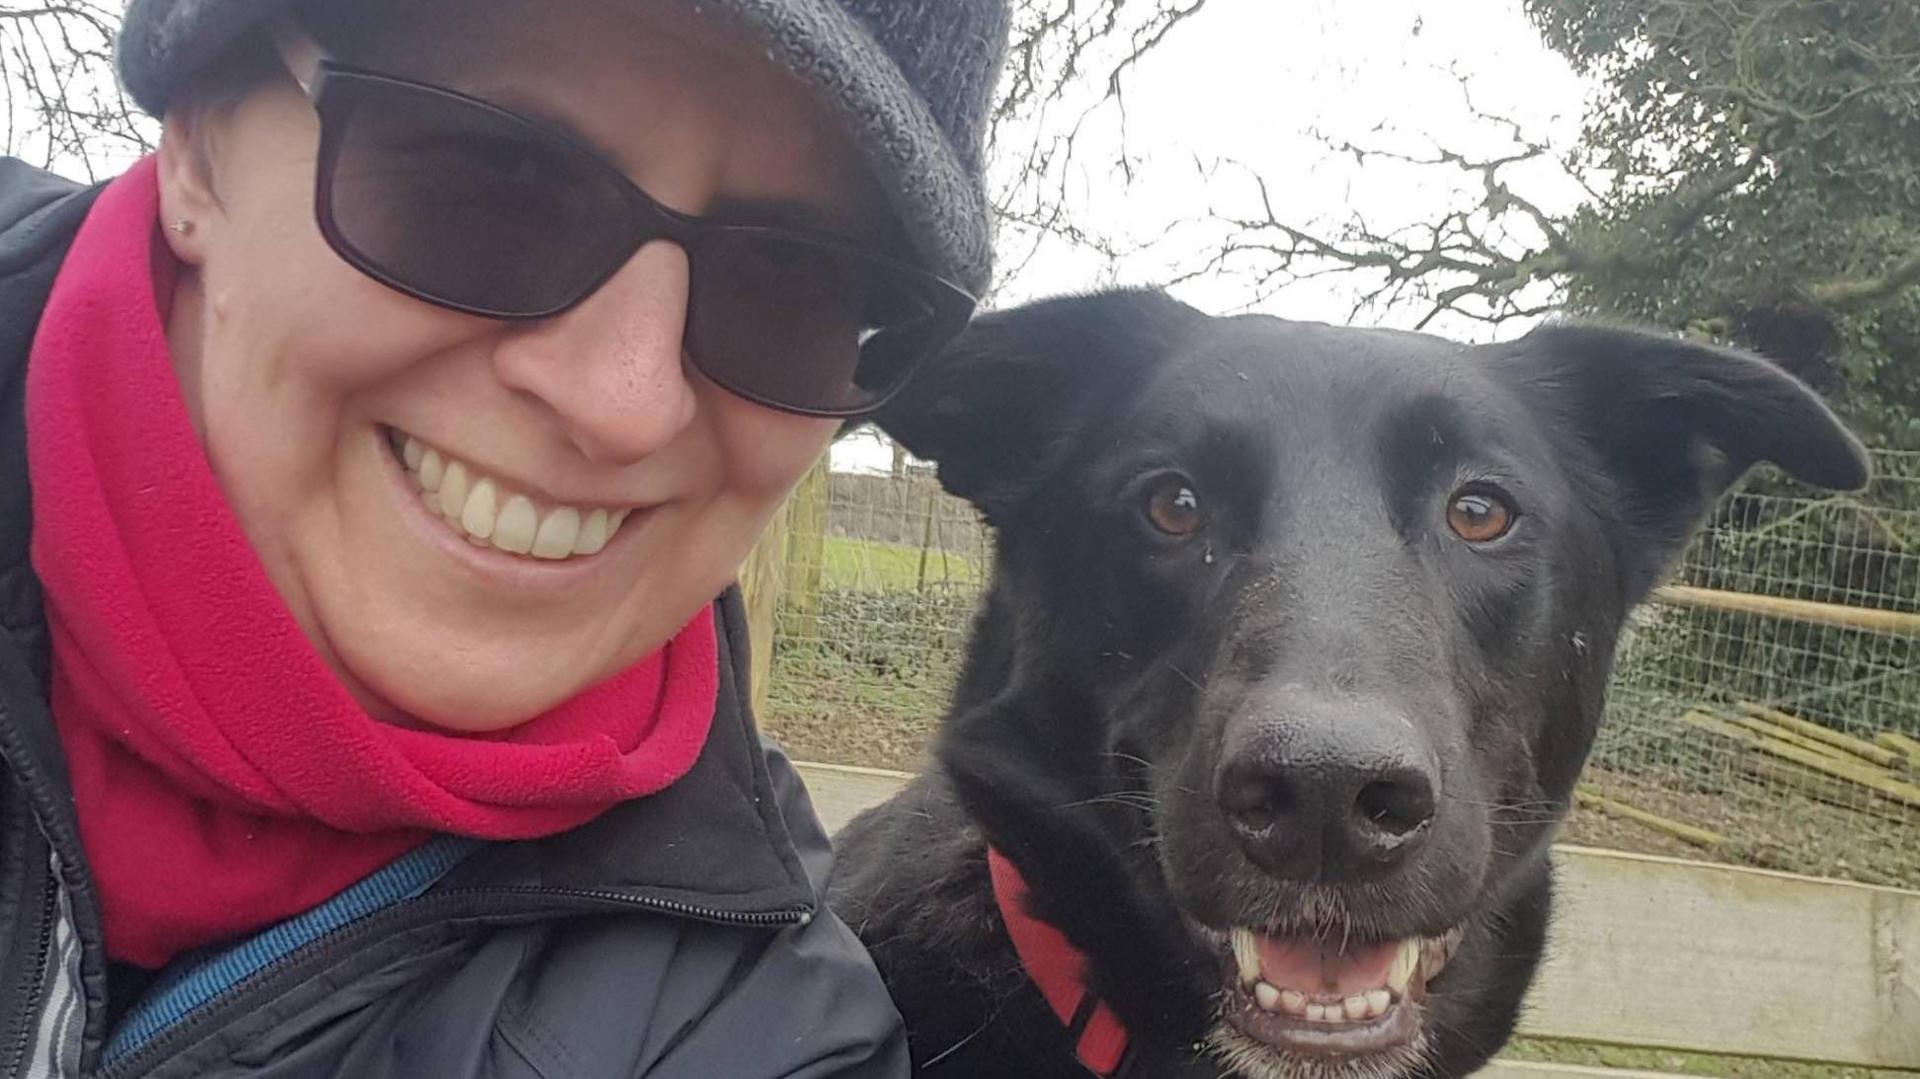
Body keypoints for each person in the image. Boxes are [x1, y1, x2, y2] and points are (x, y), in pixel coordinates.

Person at [0, 0, 1007, 1073]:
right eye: (490, 180)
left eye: (791, 287)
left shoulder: (762, 1032)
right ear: (201, 144)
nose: (622, 401)